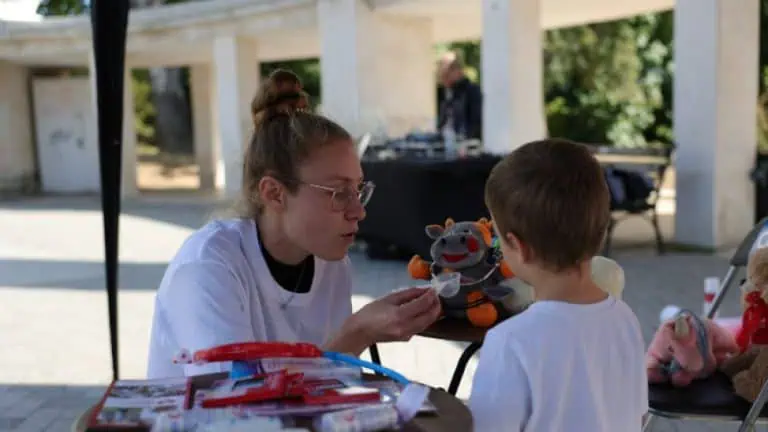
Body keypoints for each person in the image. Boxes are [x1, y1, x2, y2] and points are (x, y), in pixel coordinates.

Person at [146, 69, 442, 379]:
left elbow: (329, 383)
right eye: (339, 193)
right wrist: (359, 332)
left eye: (357, 191)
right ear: (274, 193)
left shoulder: (330, 263)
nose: (358, 211)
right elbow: (237, 402)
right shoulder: (209, 265)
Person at [468, 138, 647, 431]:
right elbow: (637, 416)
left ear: (518, 247)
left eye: (499, 239)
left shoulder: (510, 342)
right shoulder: (625, 320)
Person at [436, 51, 483, 140]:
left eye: (447, 74)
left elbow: (476, 123)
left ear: (459, 70)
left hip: (465, 145)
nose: (444, 79)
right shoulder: (444, 93)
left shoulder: (472, 91)